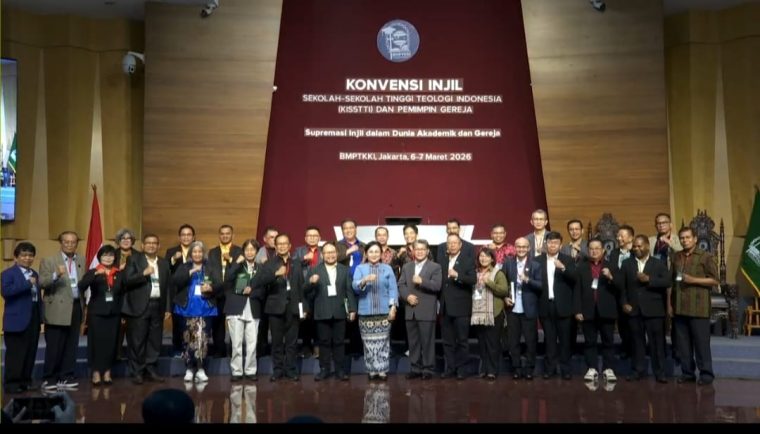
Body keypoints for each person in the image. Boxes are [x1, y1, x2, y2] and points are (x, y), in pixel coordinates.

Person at [255, 234, 306, 382]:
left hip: (293, 307)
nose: (283, 246)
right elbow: (259, 281)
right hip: (275, 307)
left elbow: (301, 286)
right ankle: (277, 371)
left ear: (290, 246)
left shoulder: (296, 263)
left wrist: (303, 308)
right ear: (276, 247)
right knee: (277, 342)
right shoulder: (269, 264)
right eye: (280, 244)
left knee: (292, 343)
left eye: (285, 244)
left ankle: (291, 370)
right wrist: (276, 274)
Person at [672, 226, 719, 385]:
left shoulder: (706, 256)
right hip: (680, 307)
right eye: (682, 238)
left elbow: (715, 280)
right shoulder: (676, 256)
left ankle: (706, 375)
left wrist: (693, 280)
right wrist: (670, 305)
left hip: (698, 308)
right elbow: (672, 281)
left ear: (695, 239)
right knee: (683, 345)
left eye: (687, 237)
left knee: (701, 345)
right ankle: (687, 374)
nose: (684, 240)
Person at [39, 231, 85, 390]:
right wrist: (55, 275)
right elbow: (42, 283)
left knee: (71, 345)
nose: (70, 245)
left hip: (76, 306)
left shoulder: (81, 260)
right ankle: (49, 378)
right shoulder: (49, 260)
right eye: (66, 242)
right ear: (61, 243)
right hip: (57, 308)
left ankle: (66, 376)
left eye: (73, 242)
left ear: (77, 244)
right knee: (55, 346)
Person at [620, 235, 670, 383]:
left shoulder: (658, 263)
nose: (637, 248)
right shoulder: (627, 264)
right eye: (635, 246)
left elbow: (667, 281)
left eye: (640, 246)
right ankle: (637, 371)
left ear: (647, 246)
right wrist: (624, 303)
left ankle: (660, 373)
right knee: (636, 343)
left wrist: (649, 279)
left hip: (654, 310)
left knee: (657, 344)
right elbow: (622, 287)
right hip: (634, 310)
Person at [172, 241, 223, 383]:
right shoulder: (184, 266)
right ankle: (189, 368)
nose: (197, 254)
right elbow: (176, 281)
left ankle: (200, 369)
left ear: (203, 253)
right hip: (187, 308)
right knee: (188, 339)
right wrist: (189, 272)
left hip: (205, 307)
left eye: (200, 251)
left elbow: (219, 284)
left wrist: (211, 288)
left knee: (202, 339)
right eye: (194, 252)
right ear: (190, 254)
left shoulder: (210, 267)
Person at [306, 241, 357, 381]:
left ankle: (340, 370)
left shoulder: (344, 269)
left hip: (339, 311)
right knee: (324, 342)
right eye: (327, 252)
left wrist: (352, 309)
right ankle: (324, 369)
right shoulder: (314, 270)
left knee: (339, 342)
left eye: (333, 252)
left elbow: (349, 291)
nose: (330, 255)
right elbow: (305, 290)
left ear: (337, 253)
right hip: (322, 311)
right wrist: (311, 283)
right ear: (322, 255)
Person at [123, 233, 170, 384]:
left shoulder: (163, 263)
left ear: (158, 246)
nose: (151, 245)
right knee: (137, 341)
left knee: (154, 340)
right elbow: (127, 280)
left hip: (158, 305)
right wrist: (143, 274)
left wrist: (167, 307)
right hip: (139, 306)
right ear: (142, 245)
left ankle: (151, 369)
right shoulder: (133, 260)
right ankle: (137, 371)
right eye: (148, 243)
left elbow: (168, 287)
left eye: (154, 243)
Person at [574, 239, 618, 383]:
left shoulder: (612, 266)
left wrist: (611, 277)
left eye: (597, 248)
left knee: (608, 341)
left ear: (603, 250)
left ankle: (608, 368)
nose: (594, 251)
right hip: (588, 310)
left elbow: (620, 287)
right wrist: (577, 310)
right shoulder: (581, 267)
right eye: (591, 249)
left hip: (607, 310)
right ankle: (591, 368)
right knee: (589, 342)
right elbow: (577, 290)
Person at [352, 241, 398, 380]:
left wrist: (393, 307)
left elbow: (393, 289)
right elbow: (355, 287)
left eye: (377, 251)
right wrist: (364, 280)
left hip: (384, 312)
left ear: (381, 254)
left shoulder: (387, 268)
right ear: (366, 254)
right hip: (366, 312)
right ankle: (372, 370)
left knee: (383, 343)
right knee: (368, 344)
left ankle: (382, 370)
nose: (374, 254)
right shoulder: (360, 268)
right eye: (371, 252)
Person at [78, 245, 124, 385]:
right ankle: (96, 372)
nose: (108, 258)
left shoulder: (119, 273)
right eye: (105, 255)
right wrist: (95, 275)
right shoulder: (93, 271)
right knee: (96, 343)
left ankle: (108, 372)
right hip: (97, 313)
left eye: (111, 255)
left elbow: (123, 292)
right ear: (99, 257)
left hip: (114, 313)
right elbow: (81, 286)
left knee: (111, 343)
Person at [397, 239, 442, 380]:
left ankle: (428, 369)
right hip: (410, 310)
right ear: (413, 251)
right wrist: (407, 296)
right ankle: (415, 368)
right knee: (413, 342)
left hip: (426, 311)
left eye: (423, 249)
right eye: (417, 249)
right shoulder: (407, 267)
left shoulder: (435, 267)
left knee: (427, 342)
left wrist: (422, 281)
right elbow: (401, 285)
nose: (420, 252)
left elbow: (437, 286)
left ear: (427, 251)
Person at [536, 231, 577, 380]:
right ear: (545, 244)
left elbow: (575, 279)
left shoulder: (568, 259)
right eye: (550, 242)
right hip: (545, 305)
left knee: (565, 340)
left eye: (555, 243)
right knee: (549, 339)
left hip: (564, 306)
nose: (552, 245)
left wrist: (563, 268)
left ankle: (566, 369)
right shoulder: (537, 260)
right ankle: (550, 369)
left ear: (560, 245)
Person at [1, 242, 42, 394]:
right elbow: (6, 292)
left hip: (33, 318)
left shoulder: (34, 274)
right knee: (15, 355)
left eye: (30, 255)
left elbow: (37, 297)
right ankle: (12, 384)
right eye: (24, 255)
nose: (27, 258)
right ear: (16, 257)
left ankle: (25, 382)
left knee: (30, 352)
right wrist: (27, 284)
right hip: (16, 321)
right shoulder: (8, 274)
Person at [224, 239, 264, 381]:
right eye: (247, 249)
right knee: (236, 343)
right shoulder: (237, 265)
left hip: (253, 307)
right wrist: (236, 263)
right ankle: (236, 371)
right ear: (243, 251)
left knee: (252, 343)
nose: (250, 252)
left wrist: (252, 291)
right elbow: (227, 279)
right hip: (236, 307)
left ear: (256, 251)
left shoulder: (261, 268)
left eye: (252, 249)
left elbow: (263, 289)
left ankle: (250, 370)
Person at [439, 234, 476, 380]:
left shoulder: (468, 260)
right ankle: (450, 368)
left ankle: (461, 369)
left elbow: (473, 279)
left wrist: (457, 275)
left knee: (462, 341)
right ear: (446, 245)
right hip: (445, 307)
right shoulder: (442, 260)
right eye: (449, 243)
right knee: (447, 341)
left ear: (460, 245)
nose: (452, 245)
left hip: (461, 307)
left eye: (455, 243)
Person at [504, 237, 541, 380]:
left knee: (531, 341)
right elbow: (503, 283)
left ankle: (530, 368)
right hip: (512, 308)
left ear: (529, 248)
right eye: (518, 246)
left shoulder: (535, 265)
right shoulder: (508, 263)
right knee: (513, 341)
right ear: (515, 248)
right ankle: (516, 368)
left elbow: (541, 285)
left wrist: (528, 280)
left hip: (529, 308)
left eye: (524, 247)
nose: (521, 249)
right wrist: (505, 297)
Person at [471, 248, 509, 380]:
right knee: (482, 344)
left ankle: (492, 371)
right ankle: (484, 370)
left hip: (494, 313)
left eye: (487, 256)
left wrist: (489, 283)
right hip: (478, 314)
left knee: (493, 344)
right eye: (481, 256)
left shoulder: (498, 273)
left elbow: (504, 291)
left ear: (492, 259)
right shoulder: (474, 272)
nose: (484, 259)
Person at [207, 224, 243, 358]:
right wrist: (209, 285)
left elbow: (241, 270)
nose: (225, 236)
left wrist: (231, 260)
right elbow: (209, 271)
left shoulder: (239, 251)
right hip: (217, 292)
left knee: (235, 325)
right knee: (217, 324)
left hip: (233, 292)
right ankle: (219, 350)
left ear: (232, 235)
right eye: (222, 233)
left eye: (228, 233)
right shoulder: (213, 252)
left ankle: (234, 352)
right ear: (219, 235)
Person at [165, 224, 196, 355]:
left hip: (194, 292)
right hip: (177, 292)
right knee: (178, 323)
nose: (186, 237)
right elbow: (165, 269)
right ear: (179, 237)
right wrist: (173, 259)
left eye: (189, 235)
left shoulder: (198, 250)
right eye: (183, 235)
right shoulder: (171, 251)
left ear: (193, 237)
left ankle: (192, 350)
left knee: (193, 323)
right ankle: (177, 350)